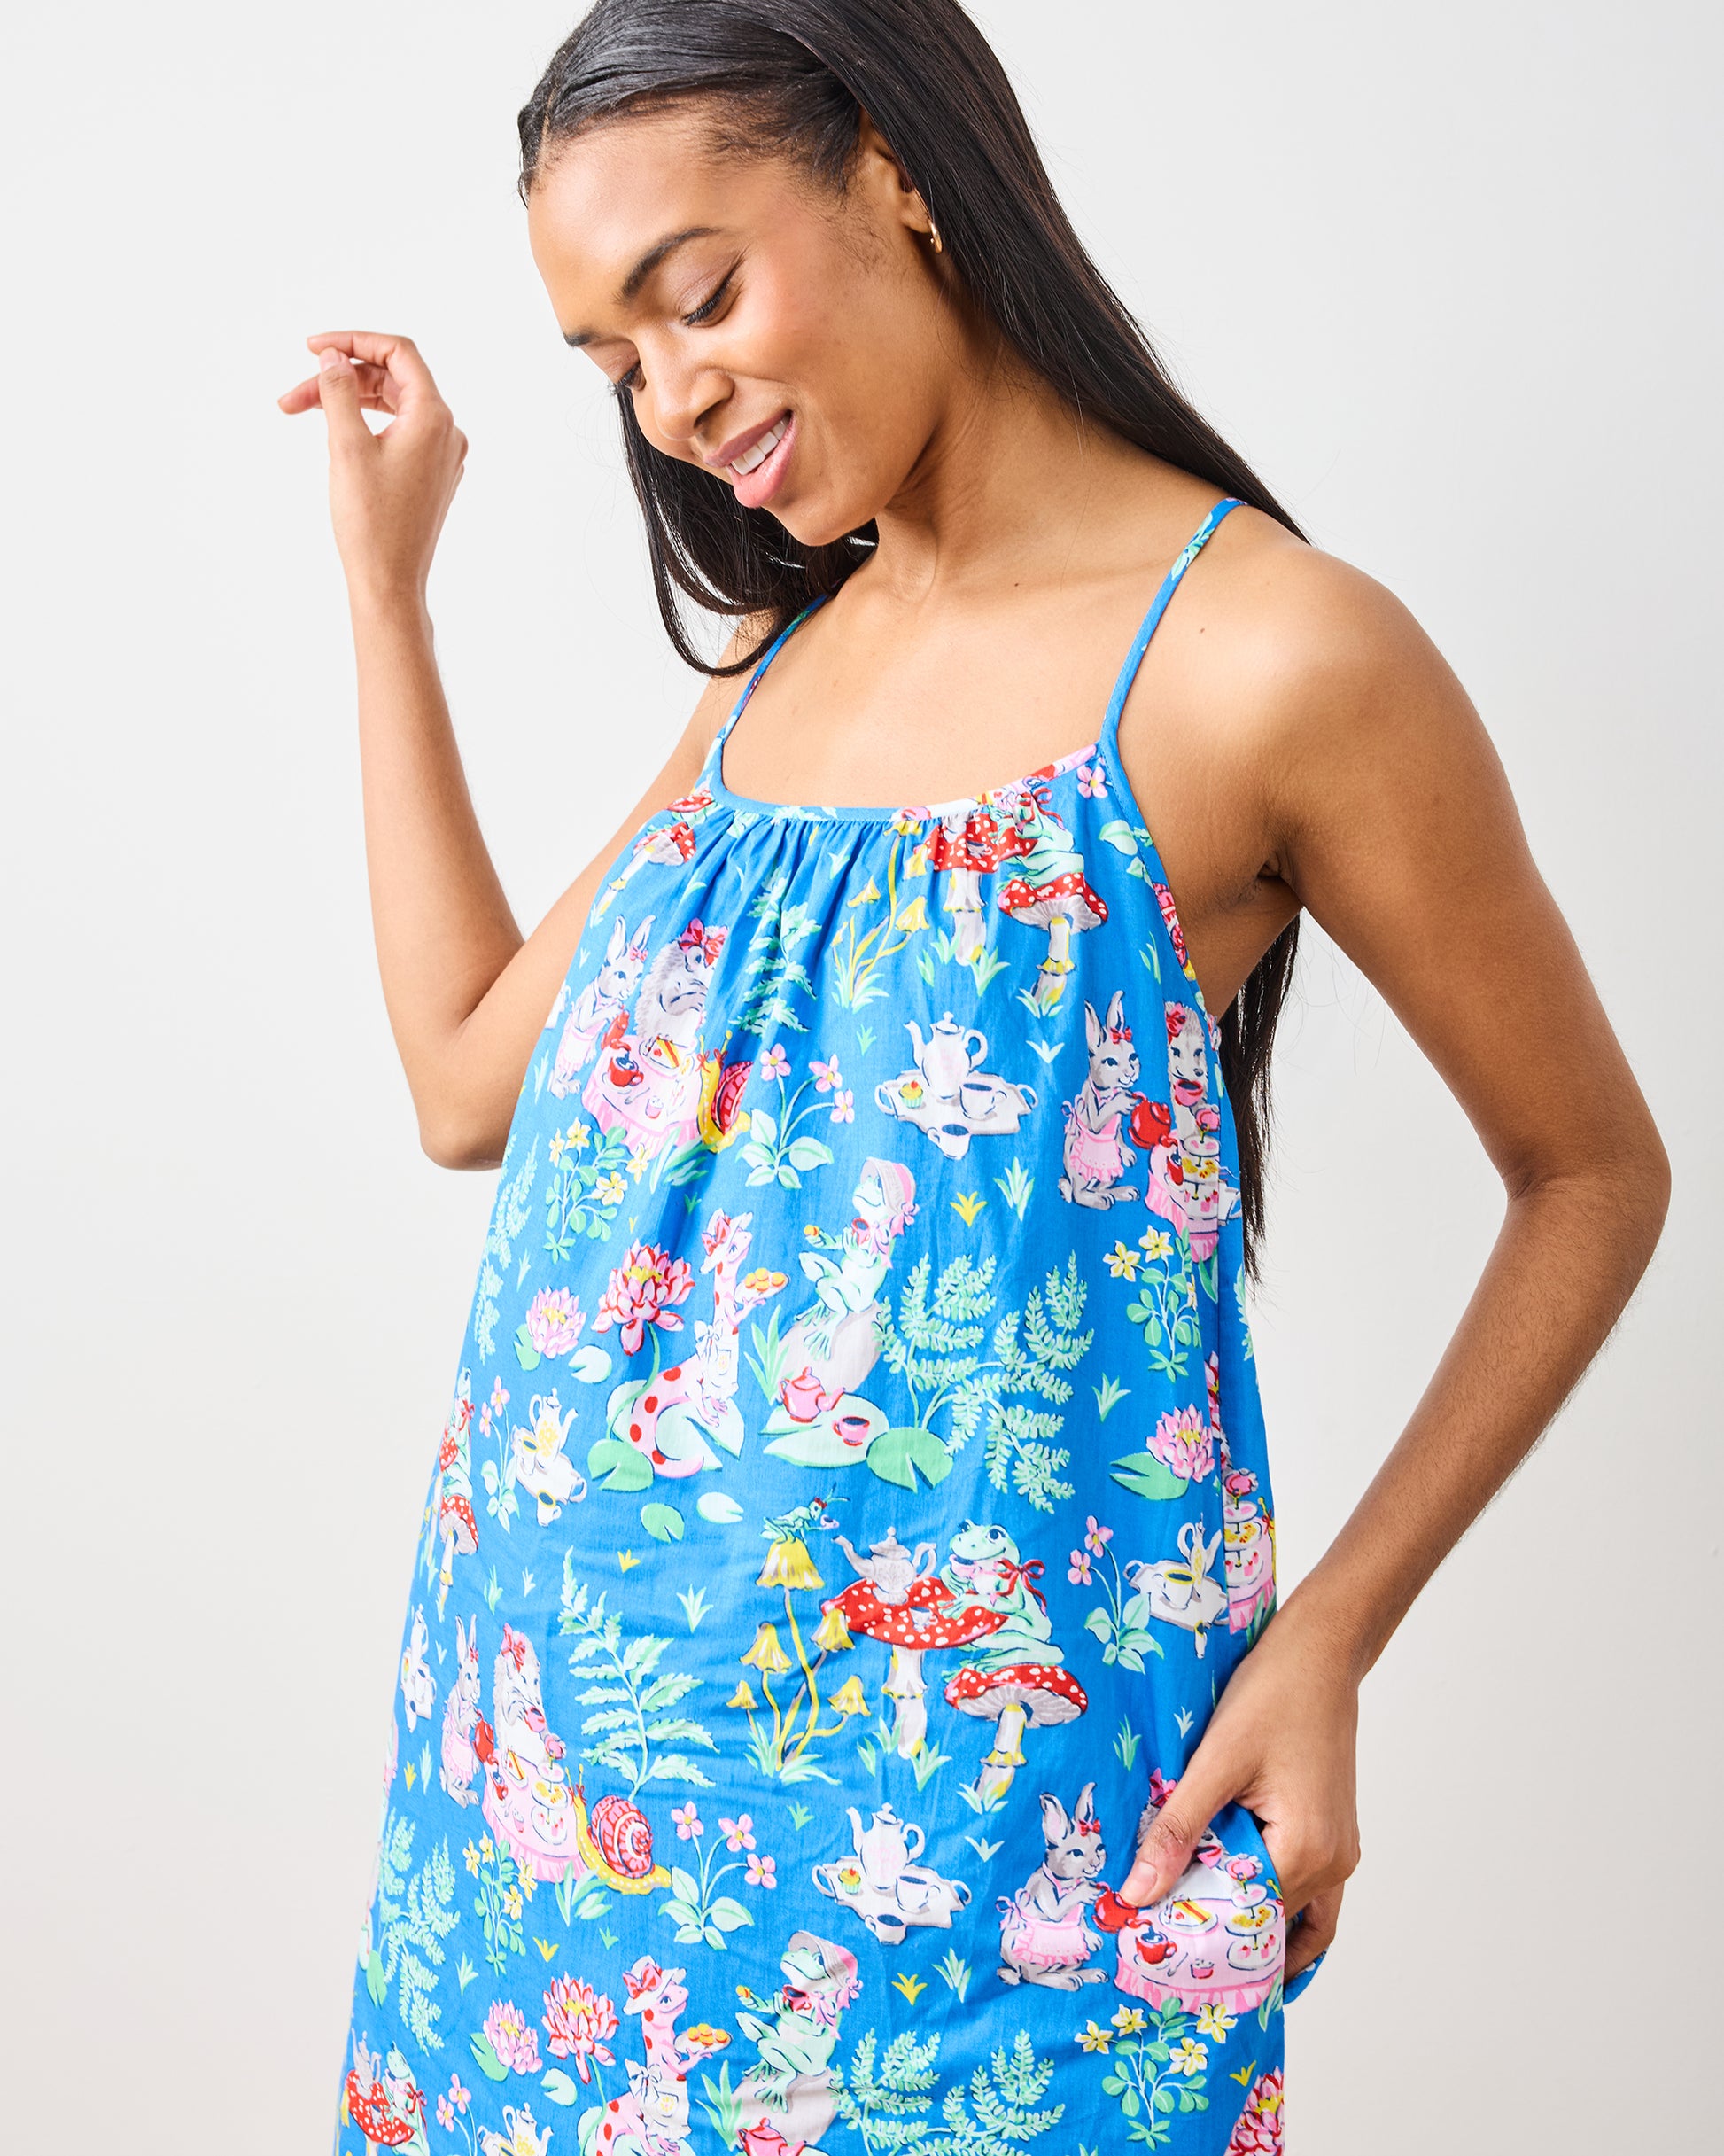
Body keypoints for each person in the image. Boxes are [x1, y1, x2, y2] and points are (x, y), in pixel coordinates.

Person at [280, 4, 1668, 2148]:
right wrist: (388, 598)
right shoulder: (777, 668)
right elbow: (470, 1082)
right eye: (615, 362)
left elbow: (1589, 1168)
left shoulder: (1272, 657)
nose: (673, 401)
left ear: (895, 173)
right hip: (539, 1847)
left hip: (981, 1881)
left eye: (698, 295)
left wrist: (1330, 1637)